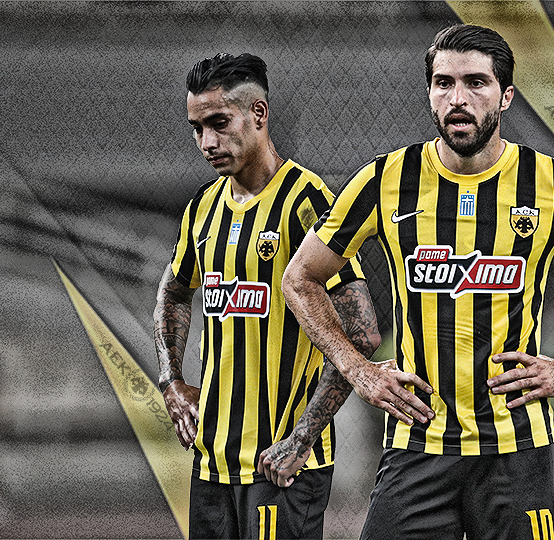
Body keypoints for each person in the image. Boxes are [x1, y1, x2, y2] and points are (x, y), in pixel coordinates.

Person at [281, 24, 554, 540]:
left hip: (517, 452)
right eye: (443, 83)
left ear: (506, 96)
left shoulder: (552, 182)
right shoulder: (386, 180)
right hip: (417, 448)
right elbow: (300, 277)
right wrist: (357, 370)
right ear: (429, 93)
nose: (458, 99)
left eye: (475, 82)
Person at [153, 52, 384, 540]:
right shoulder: (203, 207)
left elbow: (361, 333)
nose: (207, 142)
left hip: (280, 467)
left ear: (258, 113)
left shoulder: (307, 201)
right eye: (197, 129)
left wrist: (302, 438)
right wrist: (171, 380)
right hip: (212, 464)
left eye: (219, 123)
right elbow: (172, 292)